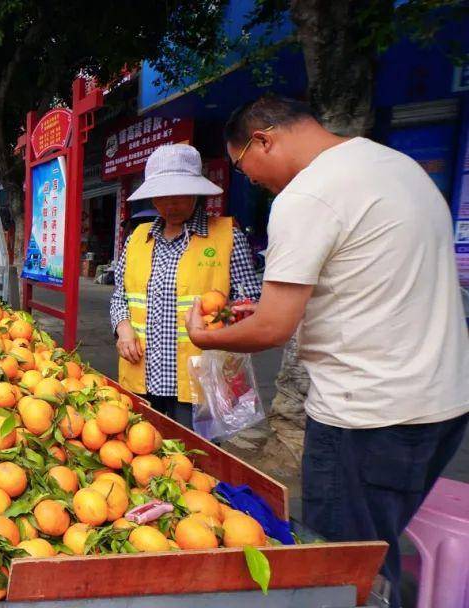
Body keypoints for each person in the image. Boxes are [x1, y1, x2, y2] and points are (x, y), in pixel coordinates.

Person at [185, 93, 469, 607]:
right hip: (441, 407)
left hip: (368, 417)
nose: (256, 184)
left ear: (264, 139)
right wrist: (265, 311)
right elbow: (367, 283)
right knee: (377, 545)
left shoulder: (309, 195)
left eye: (248, 171)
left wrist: (207, 337)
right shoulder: (396, 166)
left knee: (339, 568)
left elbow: (272, 329)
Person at [111, 144, 262, 428]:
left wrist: (220, 317)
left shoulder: (228, 236)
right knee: (144, 455)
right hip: (142, 372)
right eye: (162, 197)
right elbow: (120, 295)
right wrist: (123, 329)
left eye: (179, 196)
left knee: (196, 461)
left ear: (196, 192)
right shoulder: (137, 240)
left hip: (200, 377)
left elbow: (250, 303)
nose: (171, 204)